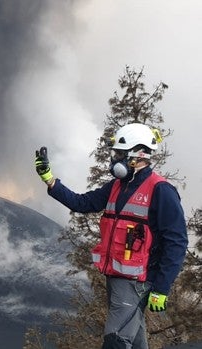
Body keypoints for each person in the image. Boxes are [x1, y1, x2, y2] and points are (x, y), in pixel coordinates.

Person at [34, 123, 188, 349]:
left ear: (139, 154)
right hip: (116, 278)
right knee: (134, 341)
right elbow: (82, 203)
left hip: (137, 282)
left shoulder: (161, 190)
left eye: (120, 154)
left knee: (115, 340)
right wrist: (49, 179)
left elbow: (177, 241)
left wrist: (162, 288)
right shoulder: (118, 186)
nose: (115, 160)